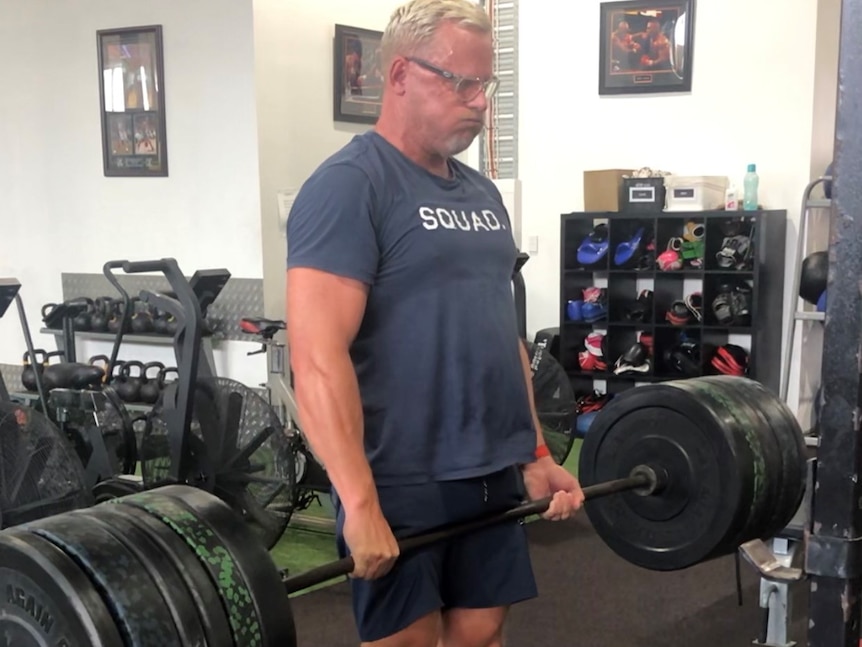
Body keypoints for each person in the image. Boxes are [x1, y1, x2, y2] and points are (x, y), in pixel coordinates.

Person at [285, 1, 584, 645]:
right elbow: (314, 356)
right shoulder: (349, 186)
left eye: (487, 85)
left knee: (481, 632)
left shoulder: (482, 194)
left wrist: (533, 452)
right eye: (460, 82)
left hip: (488, 469)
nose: (480, 102)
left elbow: (501, 336)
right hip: (399, 474)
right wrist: (359, 502)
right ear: (399, 76)